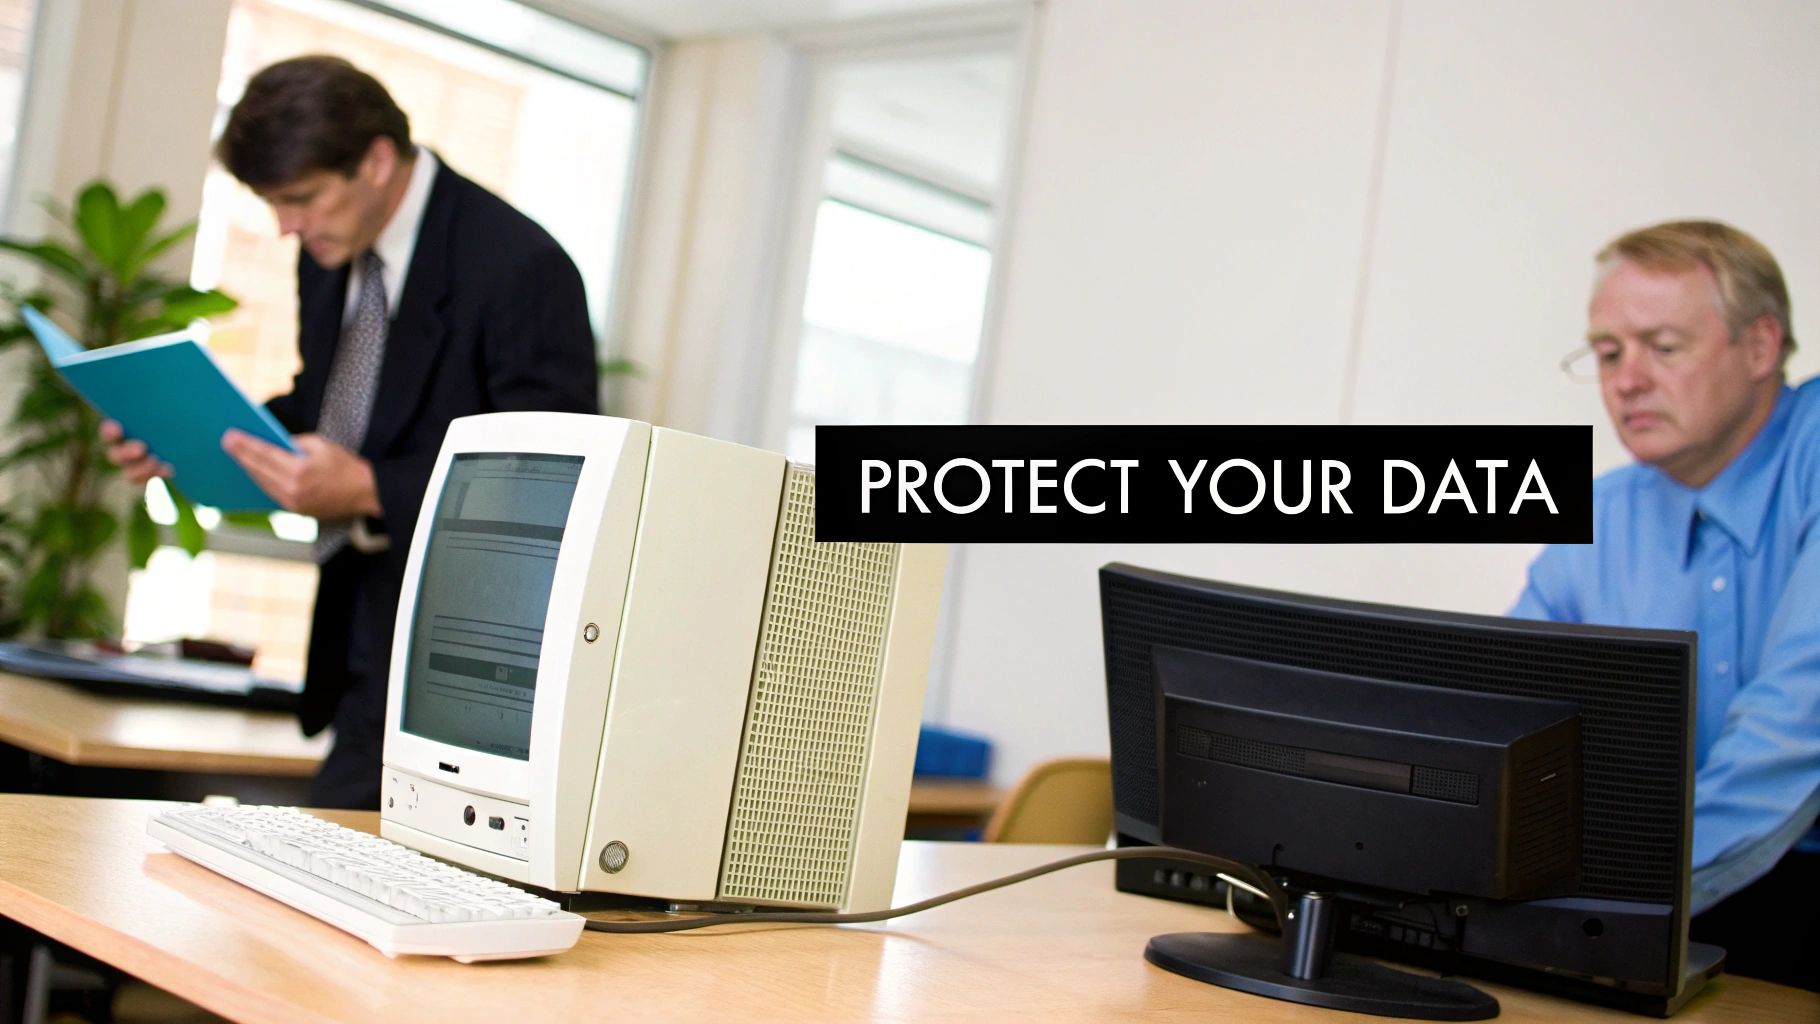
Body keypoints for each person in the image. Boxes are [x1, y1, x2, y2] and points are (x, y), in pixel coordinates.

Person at [105, 56, 598, 809]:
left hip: (459, 663)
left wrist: (367, 486)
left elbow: (552, 482)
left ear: (374, 160)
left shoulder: (520, 267)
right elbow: (330, 404)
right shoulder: (331, 253)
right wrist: (186, 434)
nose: (285, 227)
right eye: (273, 203)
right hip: (356, 635)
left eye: (300, 199)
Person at [1511, 220, 1819, 990]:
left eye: (1663, 347)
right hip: (1668, 893)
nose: (1628, 379)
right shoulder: (1596, 518)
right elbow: (1503, 724)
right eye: (1610, 353)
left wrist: (1607, 904)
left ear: (1758, 347)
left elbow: (1795, 728)